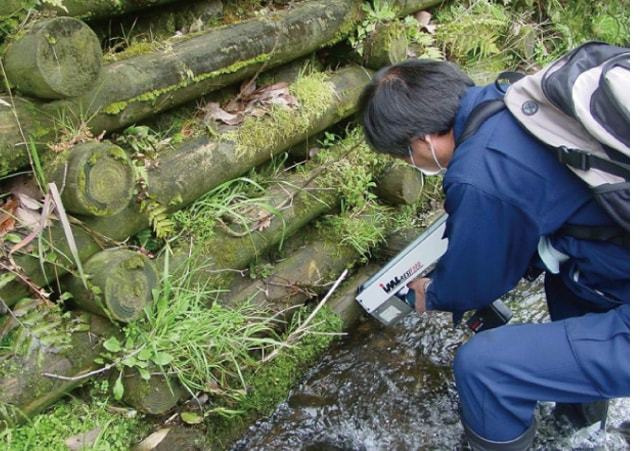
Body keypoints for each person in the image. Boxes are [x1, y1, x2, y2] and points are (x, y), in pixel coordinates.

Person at [357, 59, 629, 450]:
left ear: (422, 141)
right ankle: (577, 428)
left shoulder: (480, 174)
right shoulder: (517, 97)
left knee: (485, 368)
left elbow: (475, 283)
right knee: (565, 285)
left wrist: (432, 292)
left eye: (404, 155)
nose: (410, 164)